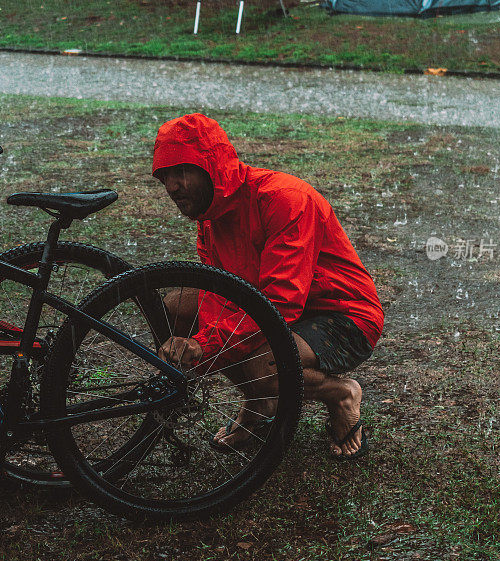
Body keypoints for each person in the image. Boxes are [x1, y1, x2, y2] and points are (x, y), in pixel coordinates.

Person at [153, 113, 384, 460]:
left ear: (212, 166)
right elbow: (220, 296)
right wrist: (203, 342)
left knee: (262, 366)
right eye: (165, 175)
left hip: (342, 315)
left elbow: (279, 302)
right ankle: (261, 402)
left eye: (182, 171)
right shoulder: (210, 216)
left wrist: (204, 345)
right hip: (278, 311)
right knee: (175, 307)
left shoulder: (284, 199)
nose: (172, 187)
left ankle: (340, 394)